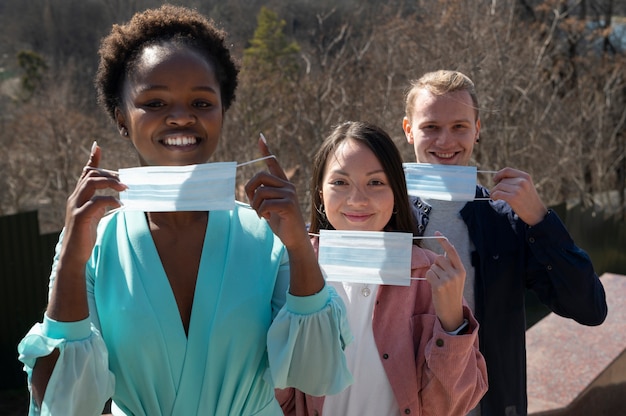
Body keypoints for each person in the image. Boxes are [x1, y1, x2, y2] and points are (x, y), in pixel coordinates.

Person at [17, 5, 353, 415]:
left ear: (222, 112)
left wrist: (300, 246)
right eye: (155, 103)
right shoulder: (92, 242)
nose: (180, 117)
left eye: (201, 102)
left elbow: (314, 371)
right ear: (122, 118)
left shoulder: (268, 234)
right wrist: (71, 255)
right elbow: (59, 399)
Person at [402, 70, 608, 416]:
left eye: (459, 127)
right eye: (431, 127)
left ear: (478, 130)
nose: (445, 140)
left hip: (486, 406)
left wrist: (541, 220)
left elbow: (589, 308)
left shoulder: (504, 220)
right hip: (396, 402)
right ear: (409, 130)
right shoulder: (382, 216)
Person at [277, 121, 488, 416]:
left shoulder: (426, 275)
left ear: (396, 193)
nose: (357, 199)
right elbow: (270, 394)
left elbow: (452, 407)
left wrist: (453, 323)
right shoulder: (288, 269)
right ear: (320, 193)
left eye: (375, 182)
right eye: (340, 182)